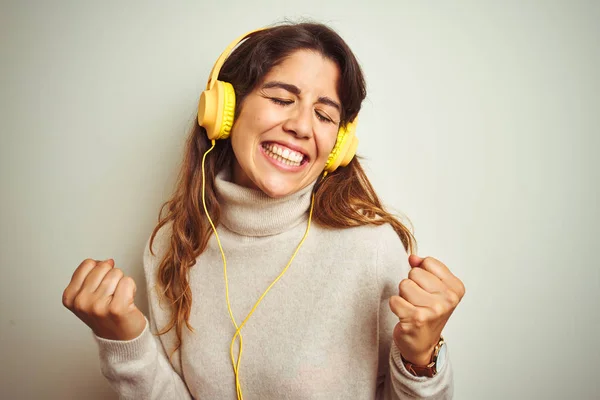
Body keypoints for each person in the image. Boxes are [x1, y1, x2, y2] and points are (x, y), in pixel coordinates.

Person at [62, 21, 465, 399]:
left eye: (324, 115)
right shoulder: (172, 245)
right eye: (281, 99)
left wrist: (422, 359)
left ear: (338, 147)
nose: (302, 126)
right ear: (224, 110)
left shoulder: (371, 250)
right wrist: (126, 340)